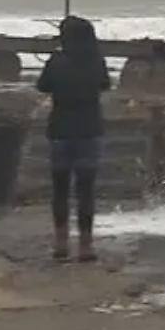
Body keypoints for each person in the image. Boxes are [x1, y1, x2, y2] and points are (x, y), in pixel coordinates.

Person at [36, 15, 110, 262]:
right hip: (89, 129)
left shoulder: (57, 61)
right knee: (85, 189)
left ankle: (60, 242)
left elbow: (43, 86)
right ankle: (86, 245)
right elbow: (104, 85)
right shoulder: (96, 61)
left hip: (60, 129)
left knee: (60, 189)